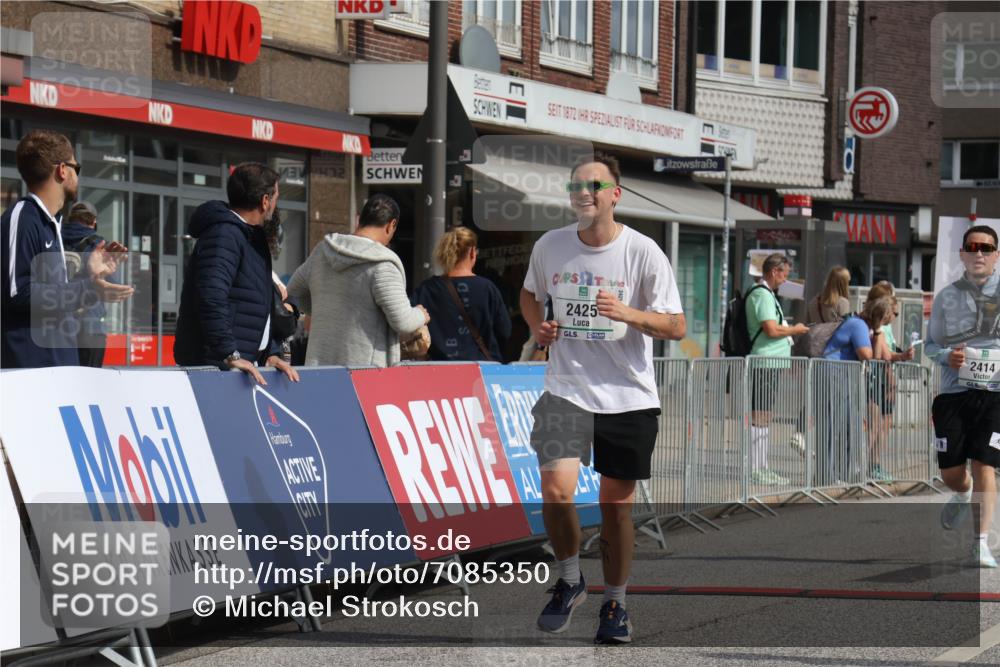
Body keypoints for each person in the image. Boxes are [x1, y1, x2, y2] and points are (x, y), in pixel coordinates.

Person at [521, 152, 685, 644]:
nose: (584, 193)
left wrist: (628, 313)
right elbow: (530, 294)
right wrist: (538, 327)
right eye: (576, 185)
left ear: (615, 195)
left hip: (628, 397)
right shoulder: (550, 246)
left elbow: (676, 326)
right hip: (565, 389)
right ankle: (571, 579)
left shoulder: (643, 251)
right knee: (555, 491)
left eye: (594, 185)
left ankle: (615, 603)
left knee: (615, 509)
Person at [1, 130, 132, 368]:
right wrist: (88, 288)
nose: (77, 175)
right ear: (62, 170)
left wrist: (89, 276)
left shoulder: (52, 224)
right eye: (76, 168)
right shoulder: (23, 218)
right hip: (33, 372)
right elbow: (18, 293)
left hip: (59, 367)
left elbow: (52, 294)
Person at [173, 162, 299, 385]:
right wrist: (229, 353)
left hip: (241, 366)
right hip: (216, 368)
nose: (276, 204)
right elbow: (211, 296)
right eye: (276, 197)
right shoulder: (224, 234)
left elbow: (256, 304)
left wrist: (269, 352)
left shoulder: (250, 237)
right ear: (265, 201)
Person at [926, 224, 1000, 568]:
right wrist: (947, 356)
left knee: (986, 463)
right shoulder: (946, 297)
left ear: (997, 255)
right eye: (972, 247)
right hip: (955, 394)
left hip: (995, 394)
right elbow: (930, 345)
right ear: (962, 254)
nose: (979, 253)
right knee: (952, 474)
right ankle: (962, 490)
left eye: (986, 248)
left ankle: (980, 543)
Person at [286, 194, 428, 367]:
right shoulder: (383, 264)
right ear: (391, 225)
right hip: (365, 372)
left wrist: (323, 310)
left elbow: (293, 291)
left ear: (360, 219)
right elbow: (403, 321)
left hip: (321, 368)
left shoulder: (322, 251)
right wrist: (421, 314)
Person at [745, 253, 810, 486]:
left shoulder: (768, 294)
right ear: (774, 271)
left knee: (765, 416)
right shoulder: (762, 294)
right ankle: (757, 468)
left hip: (771, 362)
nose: (785, 280)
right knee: (760, 416)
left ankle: (762, 466)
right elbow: (771, 329)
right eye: (784, 274)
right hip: (764, 362)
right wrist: (795, 330)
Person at [411, 226, 511, 361]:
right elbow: (505, 331)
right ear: (472, 253)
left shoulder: (427, 289)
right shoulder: (487, 288)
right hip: (482, 367)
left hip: (438, 366)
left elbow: (410, 325)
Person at [861, 283, 916, 483]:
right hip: (877, 378)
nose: (895, 316)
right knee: (876, 424)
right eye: (894, 312)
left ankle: (873, 465)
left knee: (883, 424)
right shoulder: (878, 327)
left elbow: (888, 352)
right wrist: (901, 357)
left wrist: (900, 356)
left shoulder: (882, 327)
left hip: (882, 377)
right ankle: (867, 465)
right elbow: (884, 355)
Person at [61, 201, 115, 367]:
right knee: (89, 378)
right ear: (94, 221)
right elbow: (112, 286)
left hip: (58, 326)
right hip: (91, 327)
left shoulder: (55, 239)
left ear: (71, 219)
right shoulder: (98, 245)